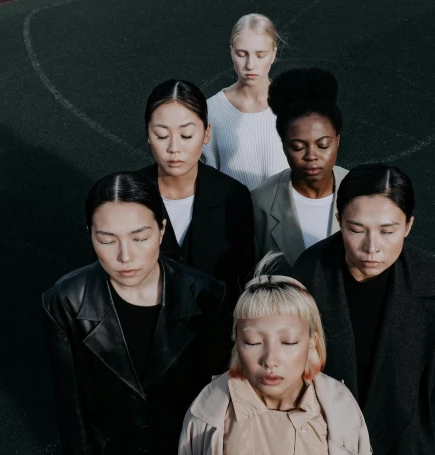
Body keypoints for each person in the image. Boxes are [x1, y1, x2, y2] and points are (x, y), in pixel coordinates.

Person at [41, 172, 232, 455]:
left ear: (162, 230)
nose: (124, 256)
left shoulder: (207, 294)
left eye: (140, 237)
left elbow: (222, 396)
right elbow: (70, 403)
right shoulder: (64, 301)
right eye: (106, 240)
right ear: (90, 236)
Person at [293, 164, 435, 455]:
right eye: (355, 229)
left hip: (398, 452)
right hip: (318, 446)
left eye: (388, 230)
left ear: (409, 226)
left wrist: (420, 442)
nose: (372, 248)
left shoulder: (428, 283)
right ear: (339, 220)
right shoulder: (308, 274)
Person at [174, 254, 379, 455]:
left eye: (289, 341)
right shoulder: (208, 412)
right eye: (253, 341)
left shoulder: (340, 411)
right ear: (237, 342)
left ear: (312, 342)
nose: (271, 359)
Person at [137, 79, 255, 306]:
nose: (174, 148)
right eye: (162, 135)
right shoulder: (127, 196)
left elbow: (245, 282)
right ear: (148, 135)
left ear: (207, 132)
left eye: (187, 135)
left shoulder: (233, 196)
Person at [252, 67, 348, 272]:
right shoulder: (260, 202)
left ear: (337, 141)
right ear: (284, 146)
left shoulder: (363, 193)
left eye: (323, 145)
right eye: (298, 147)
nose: (311, 156)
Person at [201, 13, 289, 190]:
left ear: (273, 53)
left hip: (286, 215)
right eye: (242, 54)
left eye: (260, 55)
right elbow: (208, 178)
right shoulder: (212, 110)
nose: (250, 65)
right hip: (231, 214)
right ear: (231, 51)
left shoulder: (294, 105)